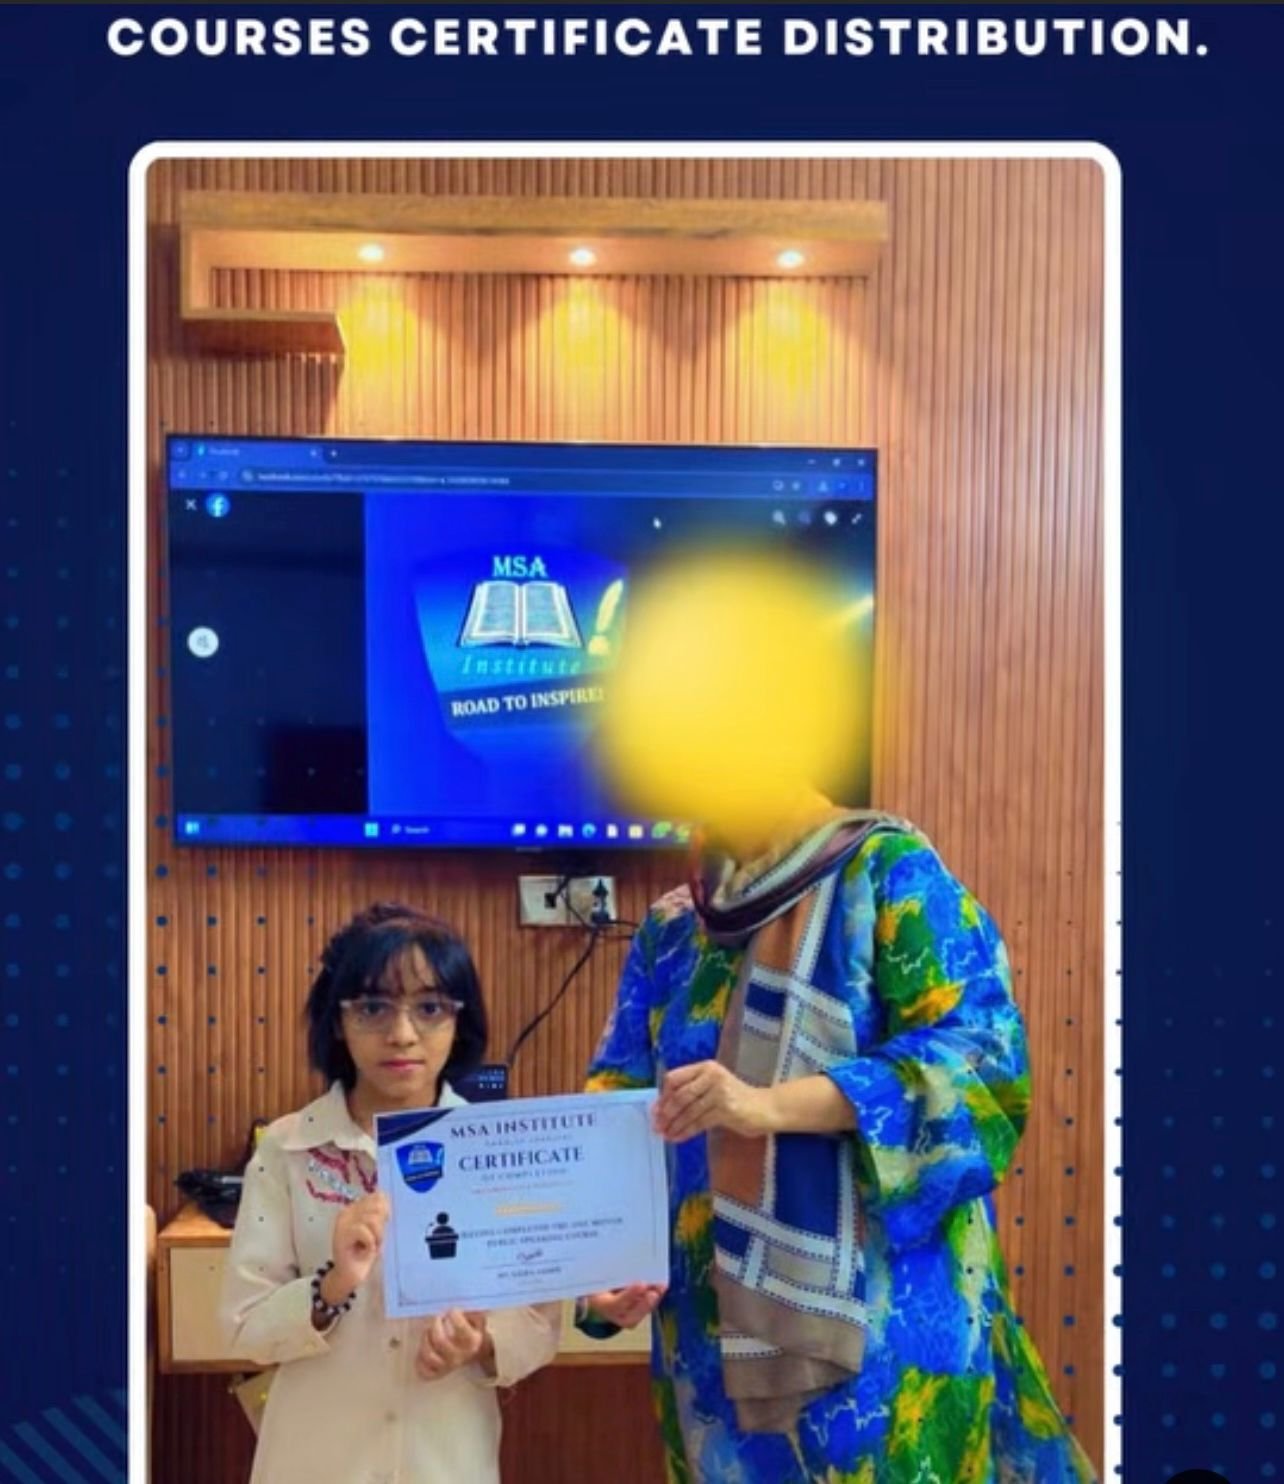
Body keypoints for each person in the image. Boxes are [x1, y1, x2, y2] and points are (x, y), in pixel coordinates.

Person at [580, 798, 1097, 1482]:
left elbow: (982, 1065)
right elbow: (617, 1102)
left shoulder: (889, 873)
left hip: (882, 1334)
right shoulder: (673, 929)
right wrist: (599, 1272)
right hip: (712, 1341)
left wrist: (767, 1106)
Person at [221, 903, 560, 1484]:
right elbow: (244, 1326)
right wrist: (331, 1286)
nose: (401, 1034)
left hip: (447, 1460)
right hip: (315, 1464)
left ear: (458, 1021)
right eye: (373, 1007)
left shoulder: (499, 1152)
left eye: (429, 1008)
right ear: (337, 1021)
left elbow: (540, 1324)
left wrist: (482, 1343)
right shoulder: (287, 1150)